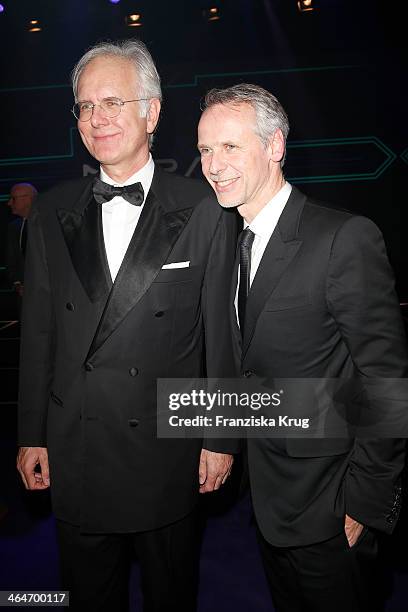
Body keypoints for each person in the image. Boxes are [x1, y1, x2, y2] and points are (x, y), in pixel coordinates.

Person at [17, 40, 239, 612]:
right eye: (86, 106)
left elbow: (222, 332)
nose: (98, 118)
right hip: (78, 450)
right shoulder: (50, 212)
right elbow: (38, 333)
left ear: (154, 111)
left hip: (166, 450)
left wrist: (218, 437)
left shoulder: (207, 208)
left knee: (172, 595)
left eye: (114, 101)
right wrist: (30, 433)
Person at [197, 83, 407, 612]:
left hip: (333, 507)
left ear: (275, 146)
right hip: (268, 504)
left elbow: (385, 383)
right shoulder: (229, 240)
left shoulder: (344, 238)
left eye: (229, 147)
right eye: (204, 150)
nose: (213, 165)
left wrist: (364, 503)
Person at [6, 182, 37, 300]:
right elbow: (11, 262)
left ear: (28, 199)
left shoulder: (50, 225)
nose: (9, 203)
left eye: (13, 199)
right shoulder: (14, 227)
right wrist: (17, 284)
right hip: (24, 299)